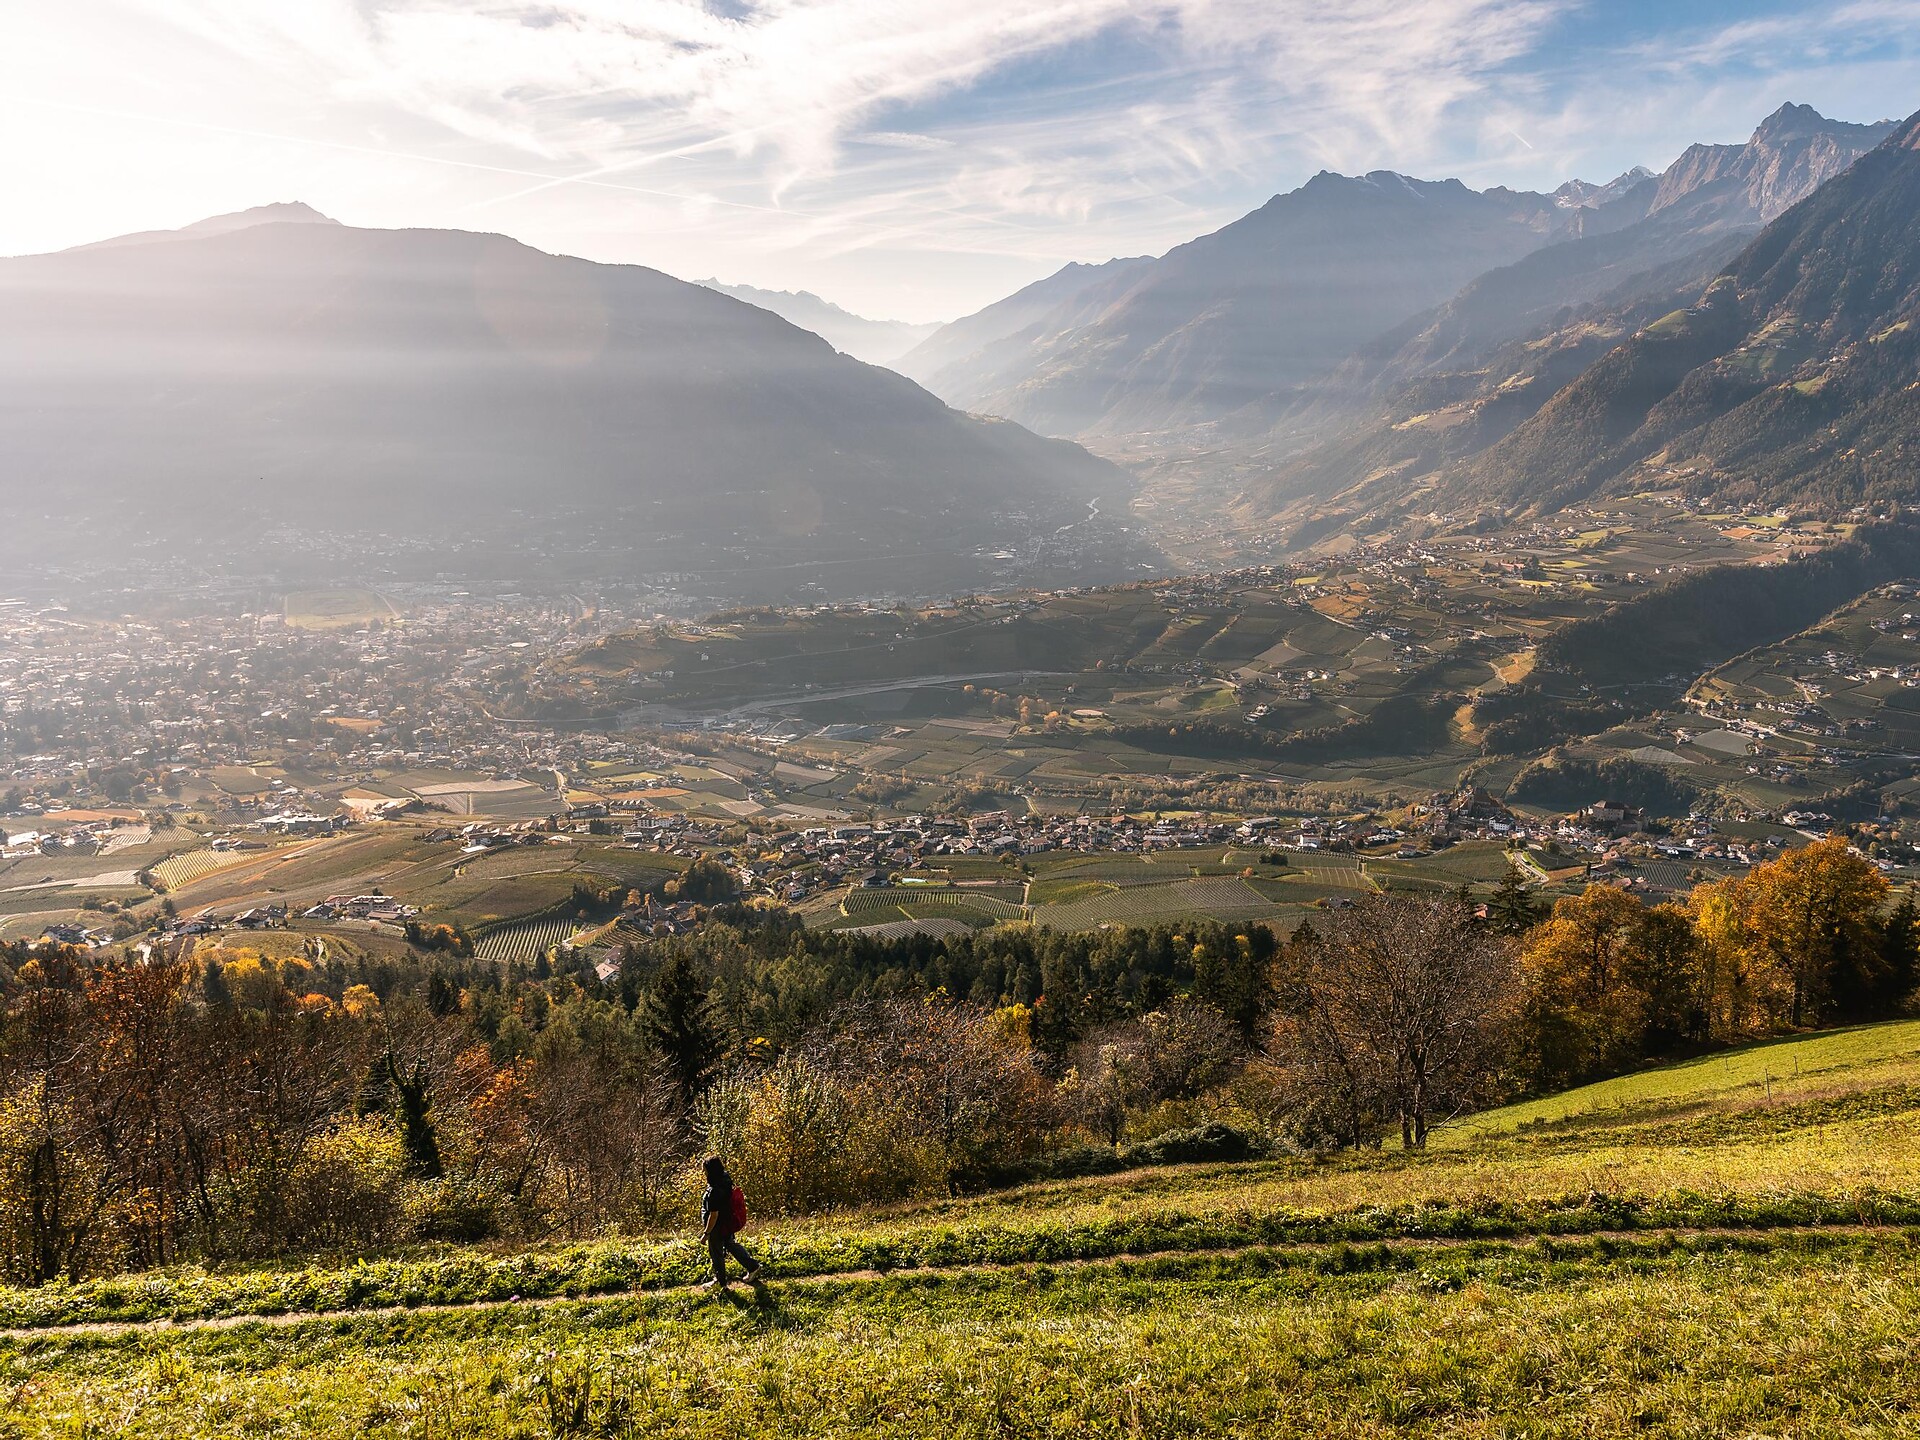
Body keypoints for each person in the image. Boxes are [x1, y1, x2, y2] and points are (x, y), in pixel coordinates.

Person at [699, 1154, 760, 1289]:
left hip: (717, 1226)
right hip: (728, 1222)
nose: (704, 1173)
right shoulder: (725, 1179)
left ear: (710, 1171)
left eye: (705, 1170)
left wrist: (706, 1233)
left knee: (716, 1253)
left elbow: (713, 1215)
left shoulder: (714, 1191)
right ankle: (753, 1266)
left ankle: (720, 1283)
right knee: (731, 1245)